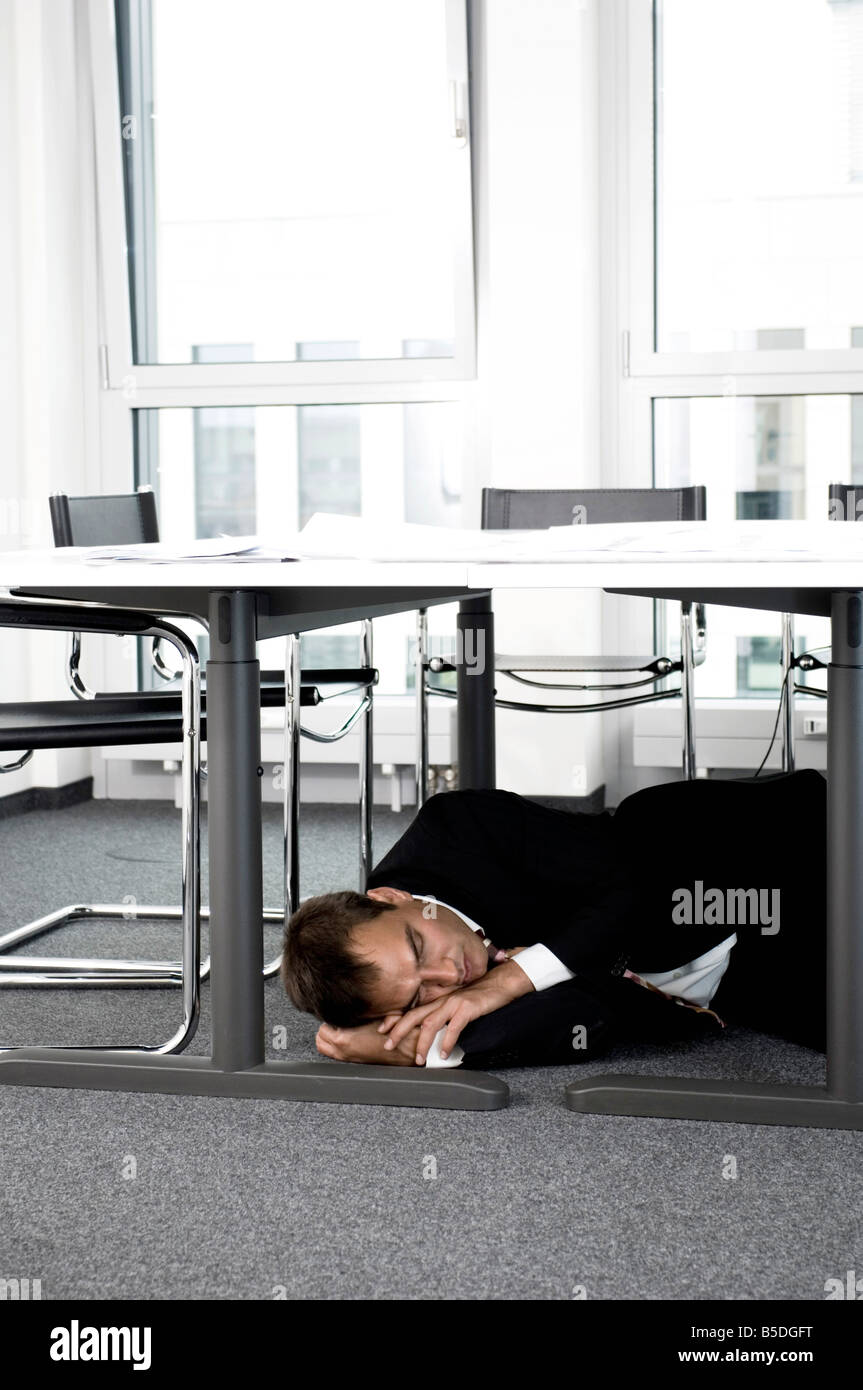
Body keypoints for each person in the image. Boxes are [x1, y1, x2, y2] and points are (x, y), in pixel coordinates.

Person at [281, 769, 827, 1070]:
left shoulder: (463, 828)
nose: (451, 978)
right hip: (739, 984)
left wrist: (506, 983)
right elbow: (580, 1016)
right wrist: (417, 1050)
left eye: (420, 950)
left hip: (749, 870)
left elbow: (632, 889)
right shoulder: (433, 983)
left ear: (392, 896)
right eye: (420, 999)